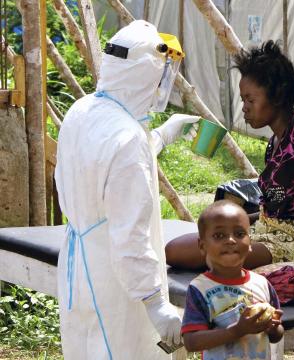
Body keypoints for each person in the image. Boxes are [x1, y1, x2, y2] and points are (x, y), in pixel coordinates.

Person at [55, 20, 200, 359]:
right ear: (145, 76)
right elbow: (130, 236)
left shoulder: (83, 109)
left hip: (78, 264)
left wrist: (161, 135)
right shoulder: (128, 141)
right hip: (115, 281)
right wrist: (156, 304)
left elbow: (98, 164)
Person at [166, 40, 294, 276]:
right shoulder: (273, 144)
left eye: (250, 100)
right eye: (244, 100)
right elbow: (274, 206)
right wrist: (232, 223)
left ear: (278, 96)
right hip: (266, 231)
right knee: (177, 248)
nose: (245, 108)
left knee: (206, 252)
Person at [181, 200, 284, 359]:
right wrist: (236, 331)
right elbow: (191, 342)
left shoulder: (262, 284)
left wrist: (273, 328)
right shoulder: (200, 289)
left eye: (239, 234)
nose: (230, 240)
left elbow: (277, 335)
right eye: (219, 235)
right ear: (202, 246)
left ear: (250, 243)